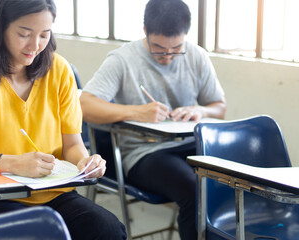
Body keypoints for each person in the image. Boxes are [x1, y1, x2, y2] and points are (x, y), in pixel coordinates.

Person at [0, 0, 126, 239]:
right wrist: (12, 163)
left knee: (107, 229)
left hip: (53, 194)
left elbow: (72, 145)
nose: (35, 46)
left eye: (44, 35)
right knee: (35, 233)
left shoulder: (59, 70)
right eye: (24, 34)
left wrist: (85, 163)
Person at [80, 0, 226, 239]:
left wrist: (200, 110)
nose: (167, 57)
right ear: (145, 31)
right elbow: (84, 105)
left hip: (190, 145)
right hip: (144, 154)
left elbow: (219, 108)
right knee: (194, 189)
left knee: (235, 176)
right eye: (159, 48)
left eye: (176, 48)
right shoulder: (123, 59)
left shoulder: (197, 56)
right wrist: (135, 112)